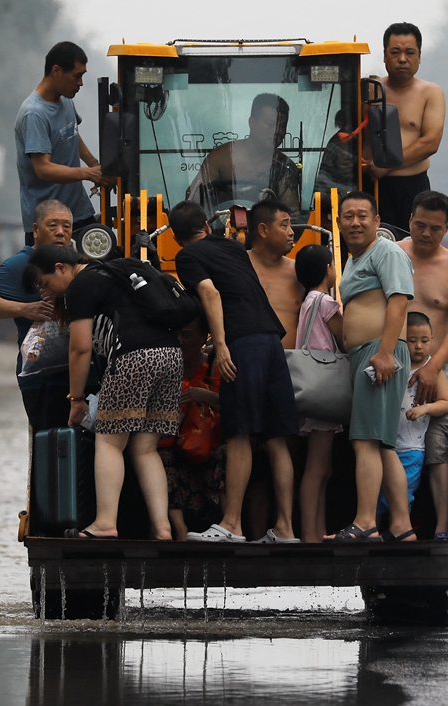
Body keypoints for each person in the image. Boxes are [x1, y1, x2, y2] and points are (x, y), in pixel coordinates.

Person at [25, 245, 182, 541]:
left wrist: (77, 399)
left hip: (132, 358)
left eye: (46, 284)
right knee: (145, 448)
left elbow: (80, 347)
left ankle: (105, 523)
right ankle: (162, 529)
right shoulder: (112, 271)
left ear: (60, 268)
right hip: (170, 356)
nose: (48, 292)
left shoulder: (81, 285)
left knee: (109, 443)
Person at [171, 200, 299, 543]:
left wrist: (222, 345)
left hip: (242, 342)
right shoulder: (232, 247)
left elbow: (211, 294)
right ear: (207, 226)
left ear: (176, 236)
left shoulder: (187, 257)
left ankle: (231, 525)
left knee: (239, 433)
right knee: (275, 438)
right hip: (271, 341)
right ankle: (285, 528)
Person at [327, 191, 417, 543]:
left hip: (379, 353)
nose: (355, 222)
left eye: (363, 215)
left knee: (365, 442)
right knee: (382, 444)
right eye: (347, 216)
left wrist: (385, 352)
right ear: (338, 224)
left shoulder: (386, 251)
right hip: (366, 354)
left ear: (377, 222)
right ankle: (401, 525)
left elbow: (398, 301)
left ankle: (366, 522)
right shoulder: (353, 260)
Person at [396, 190, 448, 540]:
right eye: (421, 225)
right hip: (394, 362)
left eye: (435, 228)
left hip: (439, 361)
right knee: (382, 437)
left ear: (446, 228)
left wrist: (433, 365)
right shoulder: (393, 254)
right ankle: (385, 519)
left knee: (439, 439)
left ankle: (442, 526)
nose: (426, 234)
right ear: (410, 221)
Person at [0, 199, 81, 432]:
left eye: (67, 226)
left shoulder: (77, 262)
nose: (61, 232)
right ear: (35, 230)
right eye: (52, 226)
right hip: (43, 377)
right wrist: (24, 308)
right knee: (51, 444)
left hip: (81, 374)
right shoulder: (20, 264)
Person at [16, 41, 110, 246]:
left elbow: (72, 135)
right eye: (77, 76)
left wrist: (95, 165)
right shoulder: (34, 114)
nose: (81, 83)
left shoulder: (65, 100)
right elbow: (44, 169)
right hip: (48, 224)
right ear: (56, 71)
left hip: (78, 213)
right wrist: (88, 173)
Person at [366, 23, 446, 235]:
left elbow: (431, 142)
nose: (402, 59)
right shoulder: (369, 91)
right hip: (372, 187)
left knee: (412, 249)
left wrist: (387, 165)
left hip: (412, 187)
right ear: (384, 56)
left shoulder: (430, 92)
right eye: (395, 52)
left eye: (409, 52)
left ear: (419, 57)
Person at [292, 244, 346, 543]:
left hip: (311, 384)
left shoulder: (307, 301)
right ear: (328, 269)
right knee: (317, 467)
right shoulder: (325, 302)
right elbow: (345, 338)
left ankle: (319, 529)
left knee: (320, 467)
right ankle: (310, 534)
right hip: (324, 387)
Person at [377, 312, 448, 517]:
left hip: (413, 448)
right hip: (387, 447)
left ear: (432, 340)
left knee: (403, 494)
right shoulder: (393, 364)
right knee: (380, 495)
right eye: (412, 341)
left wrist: (424, 409)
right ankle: (381, 531)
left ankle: (401, 529)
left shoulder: (433, 370)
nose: (418, 346)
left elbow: (445, 403)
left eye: (424, 341)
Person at [158, 315, 227, 540]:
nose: (180, 340)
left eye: (186, 334)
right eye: (176, 334)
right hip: (175, 442)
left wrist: (204, 396)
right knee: (160, 455)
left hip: (209, 441)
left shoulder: (216, 365)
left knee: (227, 454)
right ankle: (179, 529)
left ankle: (226, 524)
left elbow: (232, 407)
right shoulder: (167, 367)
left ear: (203, 337)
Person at [185, 93, 302, 214]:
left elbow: (291, 214)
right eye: (270, 125)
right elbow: (193, 199)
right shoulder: (221, 158)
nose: (277, 131)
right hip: (219, 230)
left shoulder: (285, 167)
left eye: (282, 126)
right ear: (252, 122)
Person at [247, 199, 305, 347]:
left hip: (294, 364)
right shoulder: (238, 267)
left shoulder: (299, 271)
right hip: (250, 361)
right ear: (263, 230)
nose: (291, 232)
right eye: (284, 226)